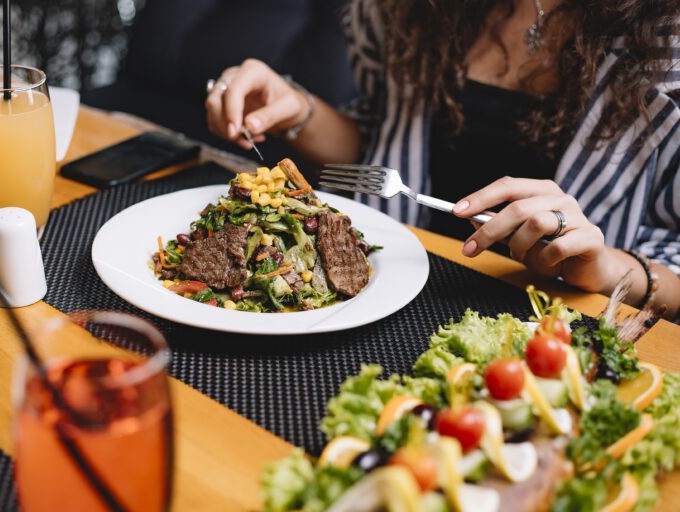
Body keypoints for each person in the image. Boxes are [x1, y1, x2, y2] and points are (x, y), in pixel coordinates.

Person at [204, 0, 680, 320]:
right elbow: (386, 153)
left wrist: (605, 269)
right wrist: (298, 110)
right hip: (389, 298)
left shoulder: (668, 46)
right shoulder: (399, 9)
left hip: (555, 328)